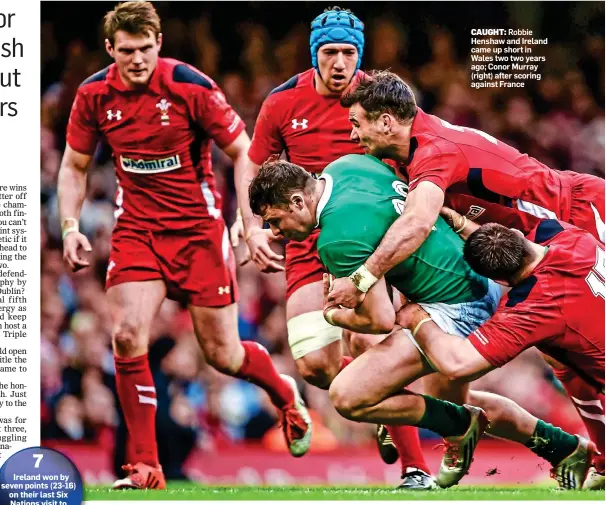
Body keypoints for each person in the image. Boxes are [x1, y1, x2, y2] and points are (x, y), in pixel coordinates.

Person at [58, 1, 311, 490]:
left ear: (159, 45)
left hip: (198, 232)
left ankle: (286, 396)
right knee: (127, 335)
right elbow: (73, 166)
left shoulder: (189, 86)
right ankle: (145, 466)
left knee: (223, 354)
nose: (137, 59)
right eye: (127, 50)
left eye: (146, 49)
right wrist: (71, 225)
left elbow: (243, 153)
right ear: (110, 49)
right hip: (137, 230)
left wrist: (247, 220)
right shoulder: (92, 95)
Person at [325, 69, 605, 484]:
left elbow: (418, 224)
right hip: (529, 244)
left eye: (356, 123)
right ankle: (595, 456)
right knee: (567, 360)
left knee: (575, 358)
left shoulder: (434, 151)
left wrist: (362, 279)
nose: (352, 135)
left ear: (386, 121)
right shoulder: (402, 155)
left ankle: (589, 455)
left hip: (578, 217)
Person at [247, 154, 594, 489]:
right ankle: (566, 448)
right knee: (449, 401)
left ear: (297, 201)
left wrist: (332, 312)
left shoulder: (336, 239)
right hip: (474, 273)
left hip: (454, 309)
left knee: (349, 395)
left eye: (275, 220)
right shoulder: (349, 166)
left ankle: (460, 426)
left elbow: (380, 320)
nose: (277, 232)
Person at [234, 6, 432, 489]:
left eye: (348, 52)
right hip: (307, 242)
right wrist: (252, 226)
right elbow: (251, 164)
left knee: (372, 341)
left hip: (369, 238)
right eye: (329, 53)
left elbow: (422, 151)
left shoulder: (380, 98)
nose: (340, 62)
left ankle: (415, 469)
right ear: (314, 55)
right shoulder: (283, 103)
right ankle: (383, 410)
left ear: (359, 55)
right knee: (316, 366)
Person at [397, 209, 605, 490]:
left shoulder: (533, 307)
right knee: (560, 359)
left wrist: (417, 318)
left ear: (500, 282)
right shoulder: (570, 236)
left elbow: (457, 365)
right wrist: (460, 223)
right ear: (519, 236)